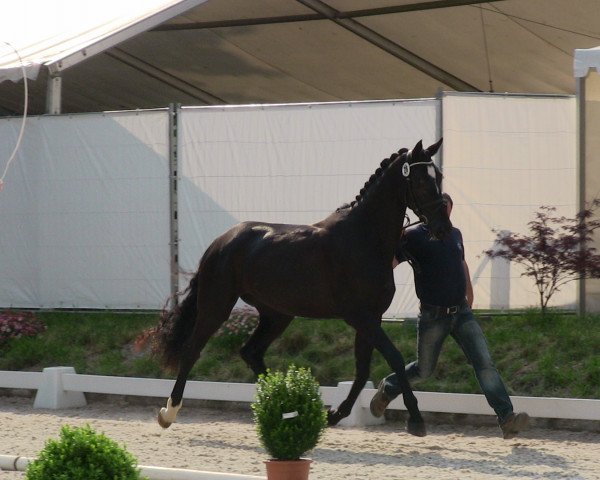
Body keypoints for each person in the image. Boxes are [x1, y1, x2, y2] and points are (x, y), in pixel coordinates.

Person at [370, 193, 529, 439]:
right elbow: (389, 263)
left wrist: (470, 296)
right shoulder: (414, 236)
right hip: (434, 316)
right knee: (424, 370)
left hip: (462, 313)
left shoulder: (456, 235)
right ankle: (389, 387)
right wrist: (393, 236)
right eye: (439, 207)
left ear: (451, 211)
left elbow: (461, 264)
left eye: (447, 207)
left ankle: (507, 419)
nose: (443, 211)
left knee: (485, 364)